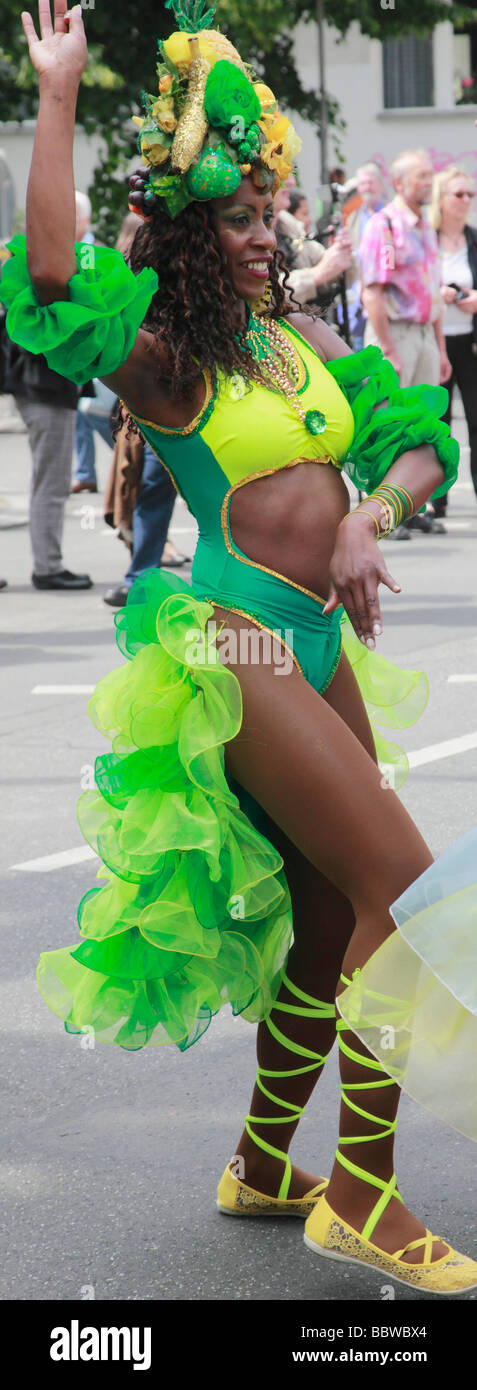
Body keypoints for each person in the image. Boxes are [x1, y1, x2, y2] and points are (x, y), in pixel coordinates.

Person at [3, 0, 477, 1296]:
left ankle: (268, 1163)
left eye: (272, 210)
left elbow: (418, 439)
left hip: (321, 640)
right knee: (409, 884)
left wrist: (371, 517)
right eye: (241, 217)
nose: (267, 235)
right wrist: (56, 95)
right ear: (191, 234)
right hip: (235, 641)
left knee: (334, 912)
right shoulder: (176, 370)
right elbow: (50, 285)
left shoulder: (307, 341)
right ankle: (366, 1196)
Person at [360, 149, 452, 537]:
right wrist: (390, 350)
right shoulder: (385, 226)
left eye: (431, 176)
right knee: (388, 426)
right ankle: (381, 514)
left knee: (420, 427)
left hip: (423, 334)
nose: (429, 183)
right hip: (394, 335)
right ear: (400, 183)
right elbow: (372, 294)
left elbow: (431, 292)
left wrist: (440, 347)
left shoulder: (424, 227)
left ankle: (412, 507)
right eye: (421, 177)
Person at [429, 165, 477, 518]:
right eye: (458, 194)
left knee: (476, 421)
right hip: (434, 341)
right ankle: (436, 501)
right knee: (437, 423)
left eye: (470, 195)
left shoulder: (474, 240)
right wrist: (437, 294)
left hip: (470, 343)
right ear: (441, 200)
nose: (466, 201)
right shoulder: (426, 240)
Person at [345, 162, 386, 351]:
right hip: (357, 298)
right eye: (363, 183)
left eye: (370, 182)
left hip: (381, 297)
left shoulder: (389, 216)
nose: (367, 187)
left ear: (380, 184)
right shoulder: (354, 217)